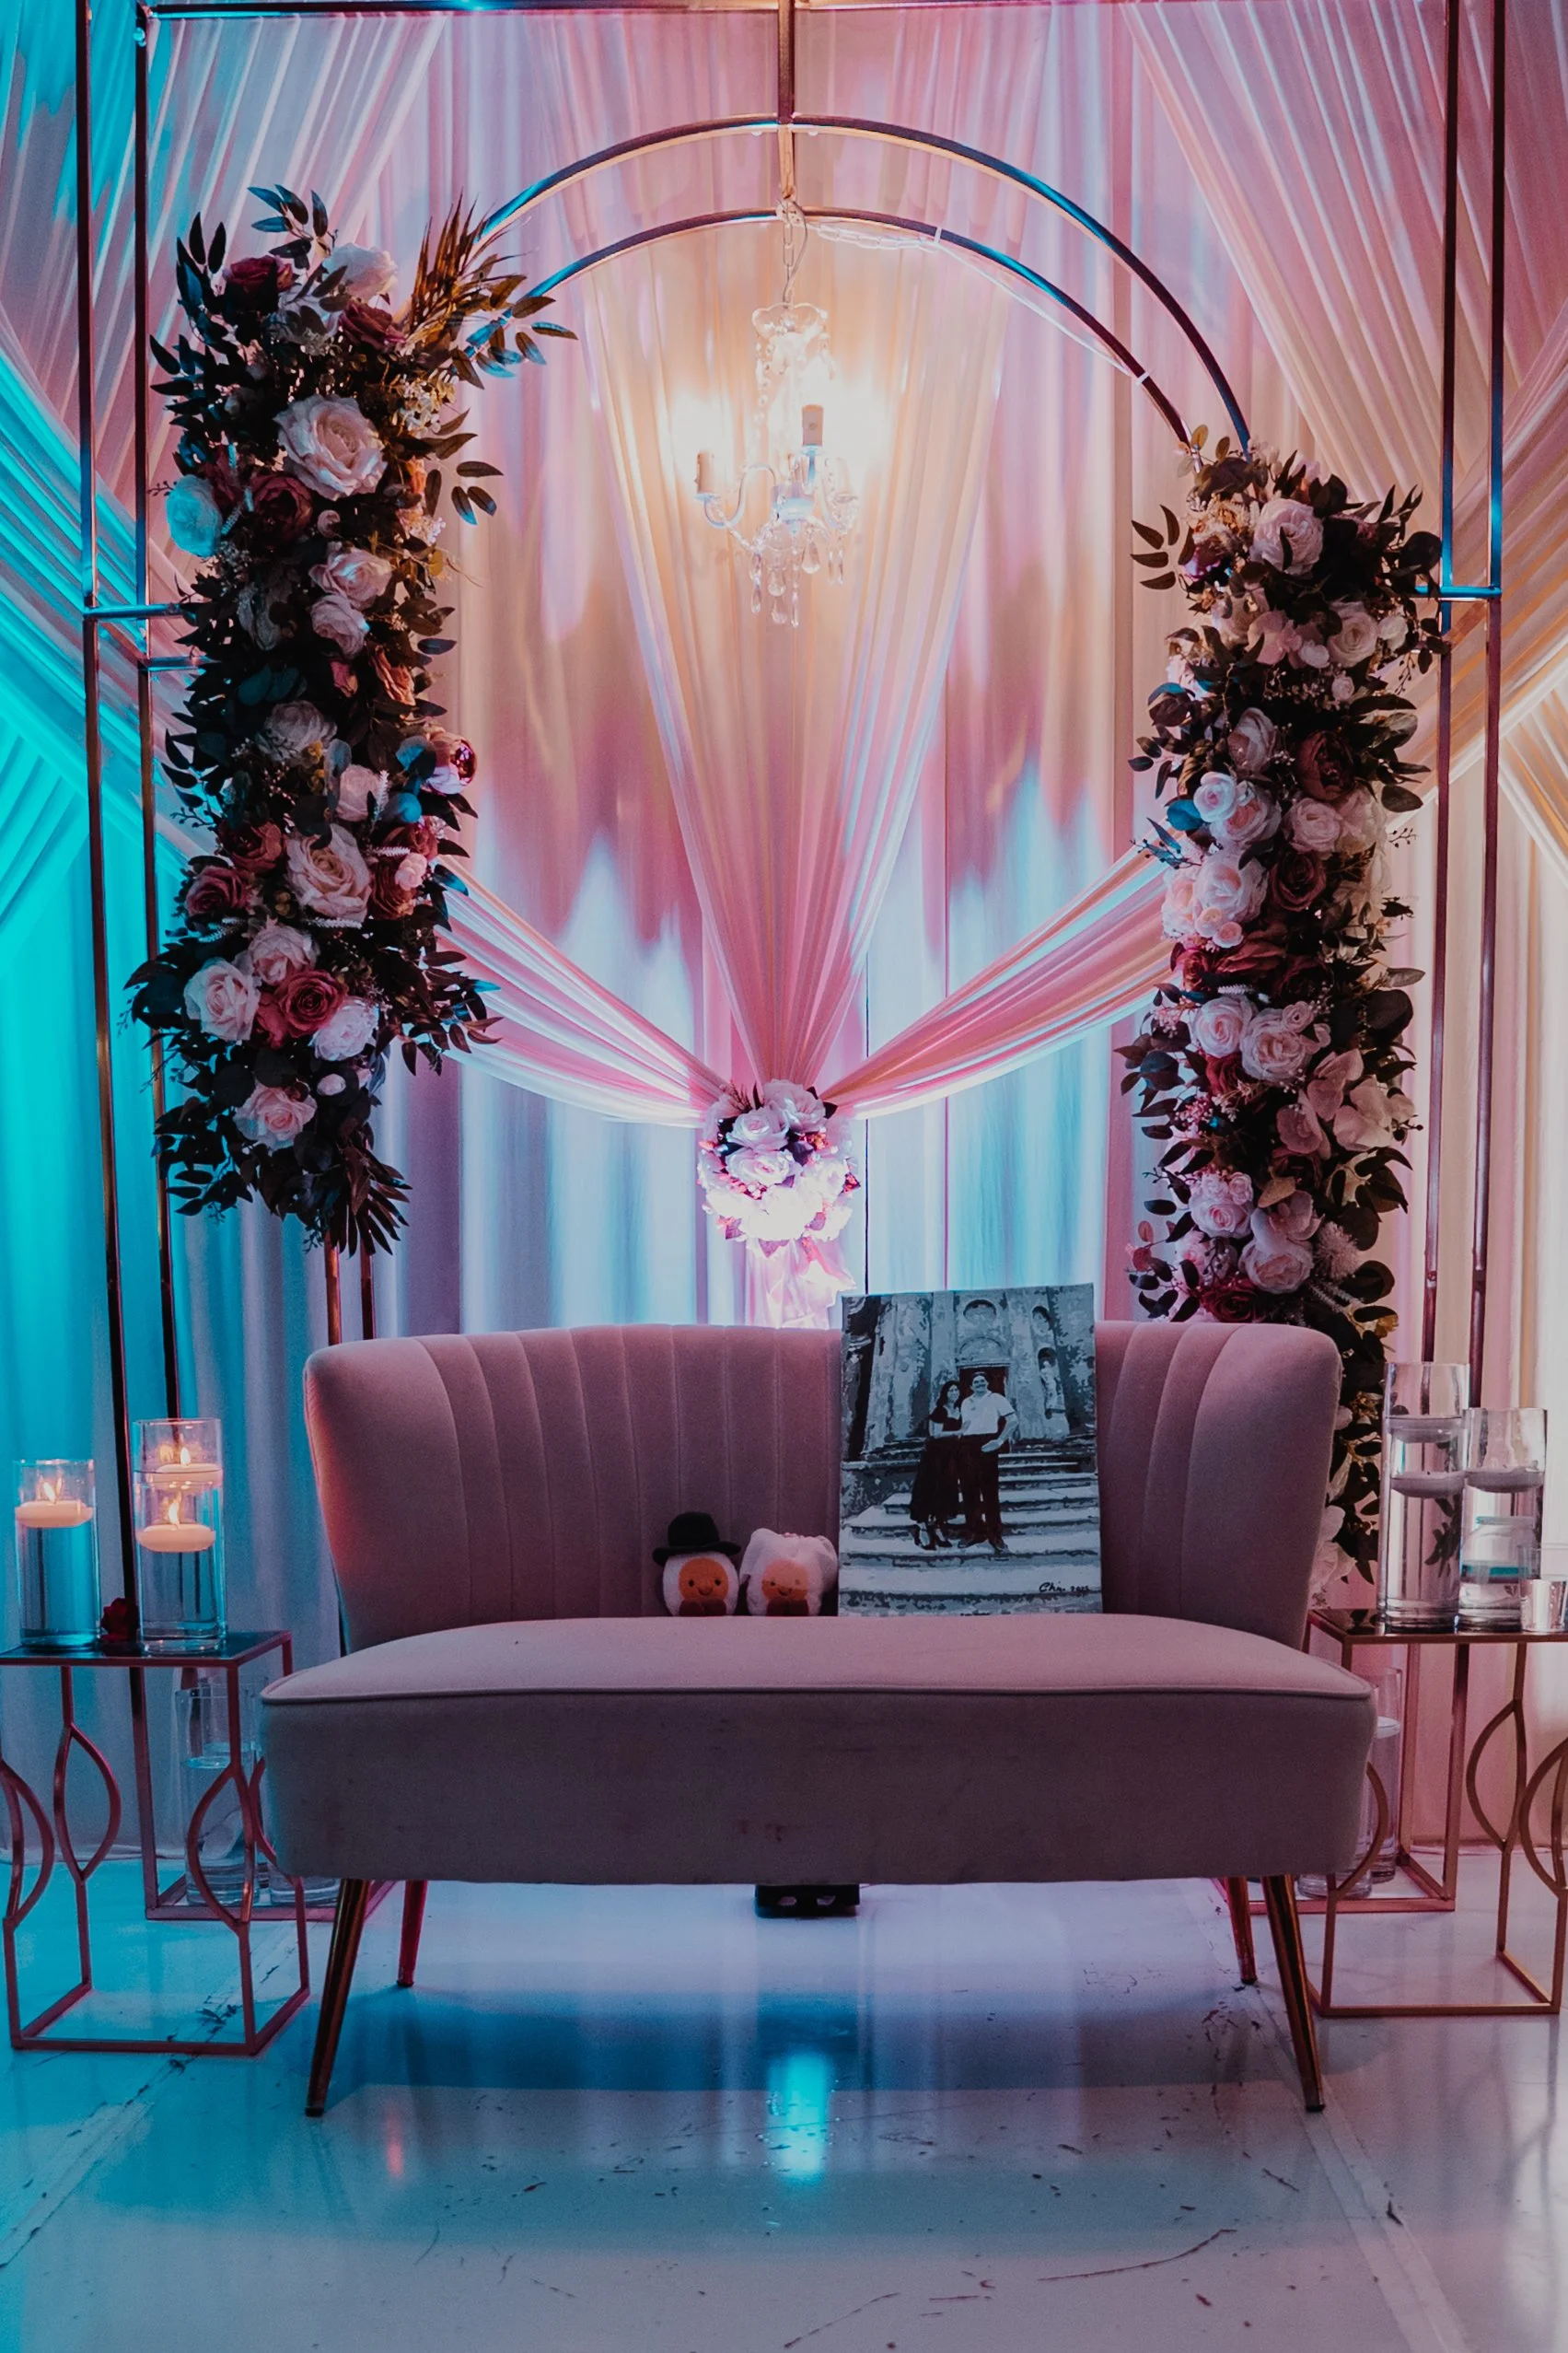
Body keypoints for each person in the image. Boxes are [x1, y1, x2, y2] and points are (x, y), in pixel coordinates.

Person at [958, 1371, 1016, 1554]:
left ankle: (995, 1534)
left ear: (988, 1383)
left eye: (983, 1381)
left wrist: (999, 1441)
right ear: (970, 1386)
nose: (980, 1383)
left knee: (989, 1491)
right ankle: (974, 1532)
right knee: (969, 1491)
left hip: (988, 1443)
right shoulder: (966, 1402)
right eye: (976, 1382)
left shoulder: (996, 1398)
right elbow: (966, 1425)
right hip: (967, 1445)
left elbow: (1013, 1421)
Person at [907, 1378, 963, 1550]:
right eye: (951, 1390)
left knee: (946, 1490)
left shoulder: (961, 1410)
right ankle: (922, 1527)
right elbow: (935, 1434)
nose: (954, 1393)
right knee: (929, 1489)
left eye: (956, 1390)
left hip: (950, 1457)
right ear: (945, 1393)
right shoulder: (940, 1411)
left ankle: (939, 1527)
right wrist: (959, 1432)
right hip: (934, 1456)